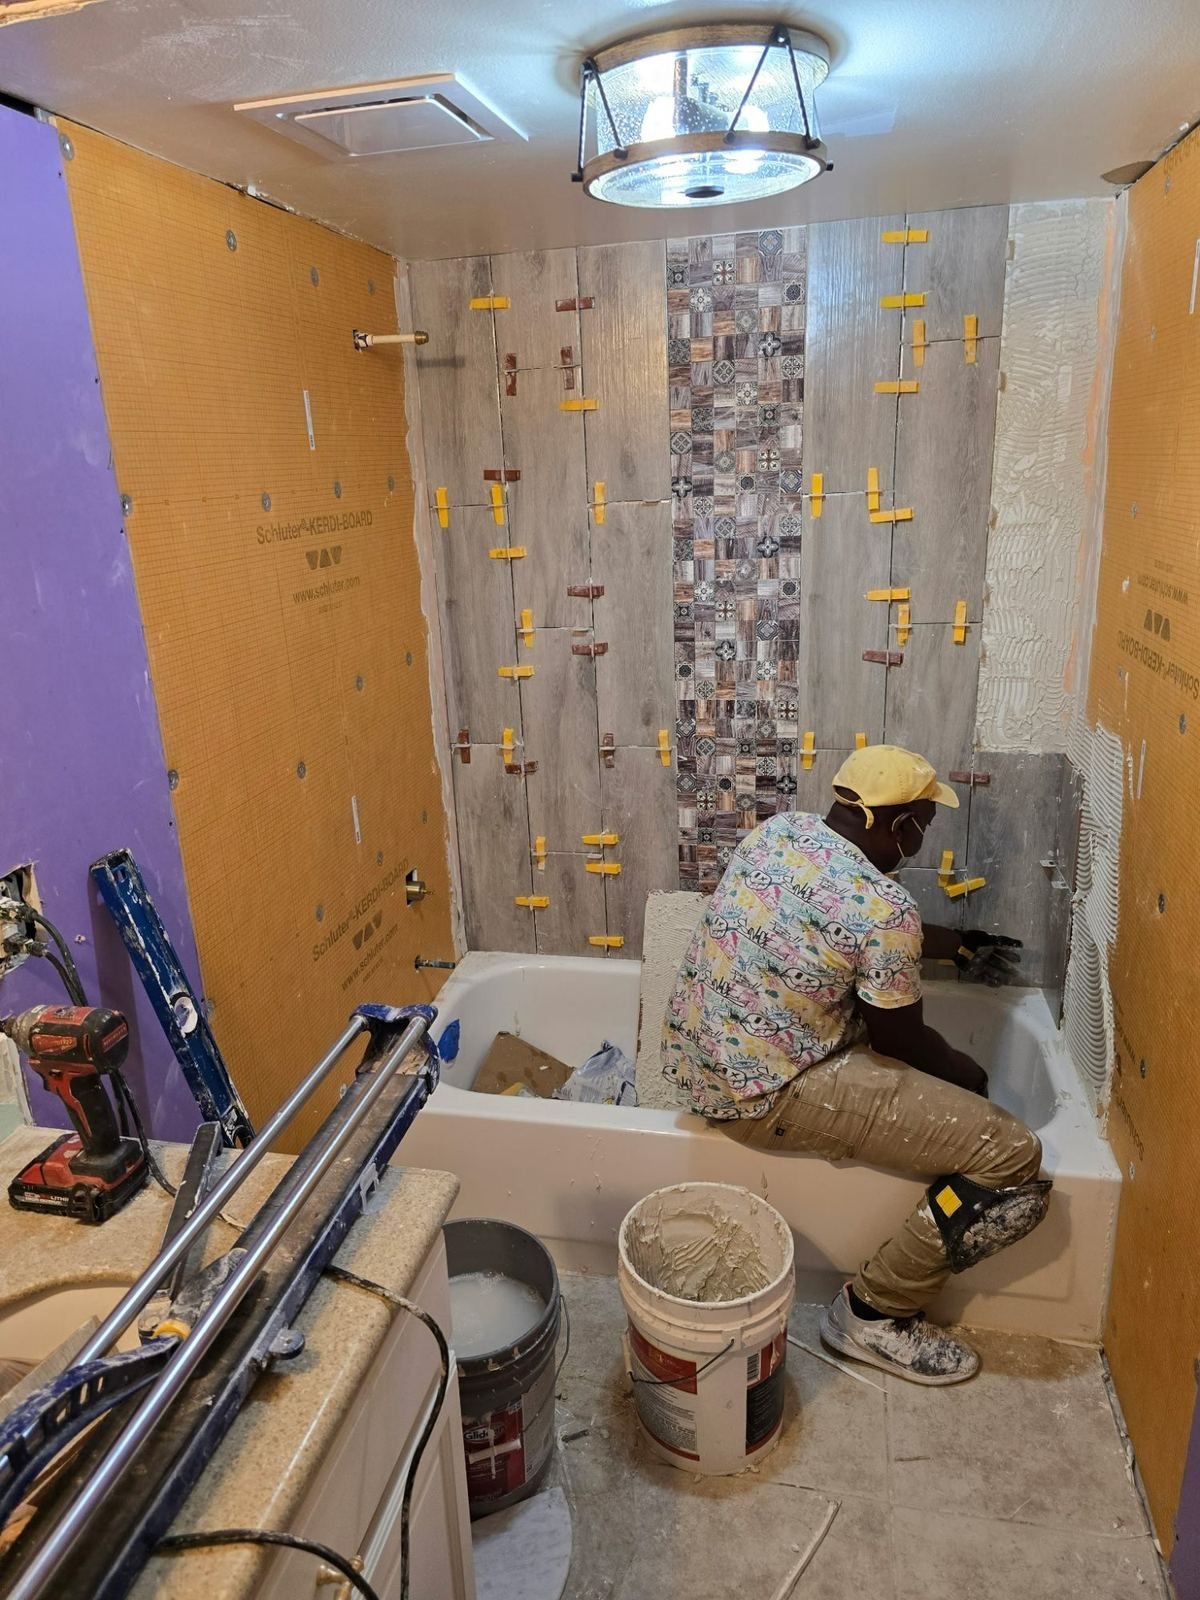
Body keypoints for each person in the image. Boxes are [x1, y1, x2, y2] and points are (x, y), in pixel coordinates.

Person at [662, 744, 1050, 1385]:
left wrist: (956, 945)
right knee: (1008, 1151)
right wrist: (972, 1080)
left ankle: (874, 1311)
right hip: (769, 1093)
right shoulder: (883, 907)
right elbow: (903, 1042)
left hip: (704, 1063)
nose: (922, 840)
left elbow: (844, 921)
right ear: (896, 824)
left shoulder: (782, 834)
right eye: (922, 824)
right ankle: (872, 1314)